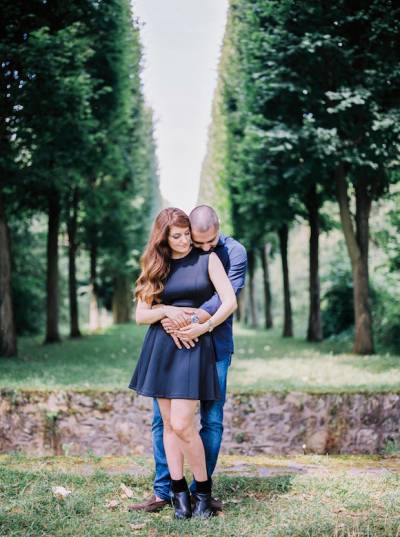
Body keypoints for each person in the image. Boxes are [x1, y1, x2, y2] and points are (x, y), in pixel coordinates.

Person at [129, 205, 247, 514]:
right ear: (165, 238)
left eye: (186, 236)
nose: (185, 242)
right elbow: (142, 314)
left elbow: (228, 301)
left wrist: (201, 324)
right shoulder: (158, 265)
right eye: (178, 237)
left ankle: (203, 493)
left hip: (195, 346)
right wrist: (166, 312)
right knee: (167, 424)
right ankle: (177, 494)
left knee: (185, 423)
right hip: (162, 347)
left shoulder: (212, 259)